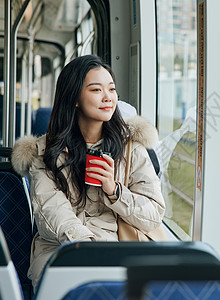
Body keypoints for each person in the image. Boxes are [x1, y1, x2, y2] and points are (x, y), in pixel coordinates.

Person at [11, 55, 165, 290]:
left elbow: (153, 213)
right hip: (60, 251)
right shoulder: (44, 151)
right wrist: (90, 252)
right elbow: (52, 211)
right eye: (96, 90)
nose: (108, 97)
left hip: (116, 248)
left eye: (112, 89)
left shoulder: (132, 148)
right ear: (74, 98)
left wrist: (114, 192)